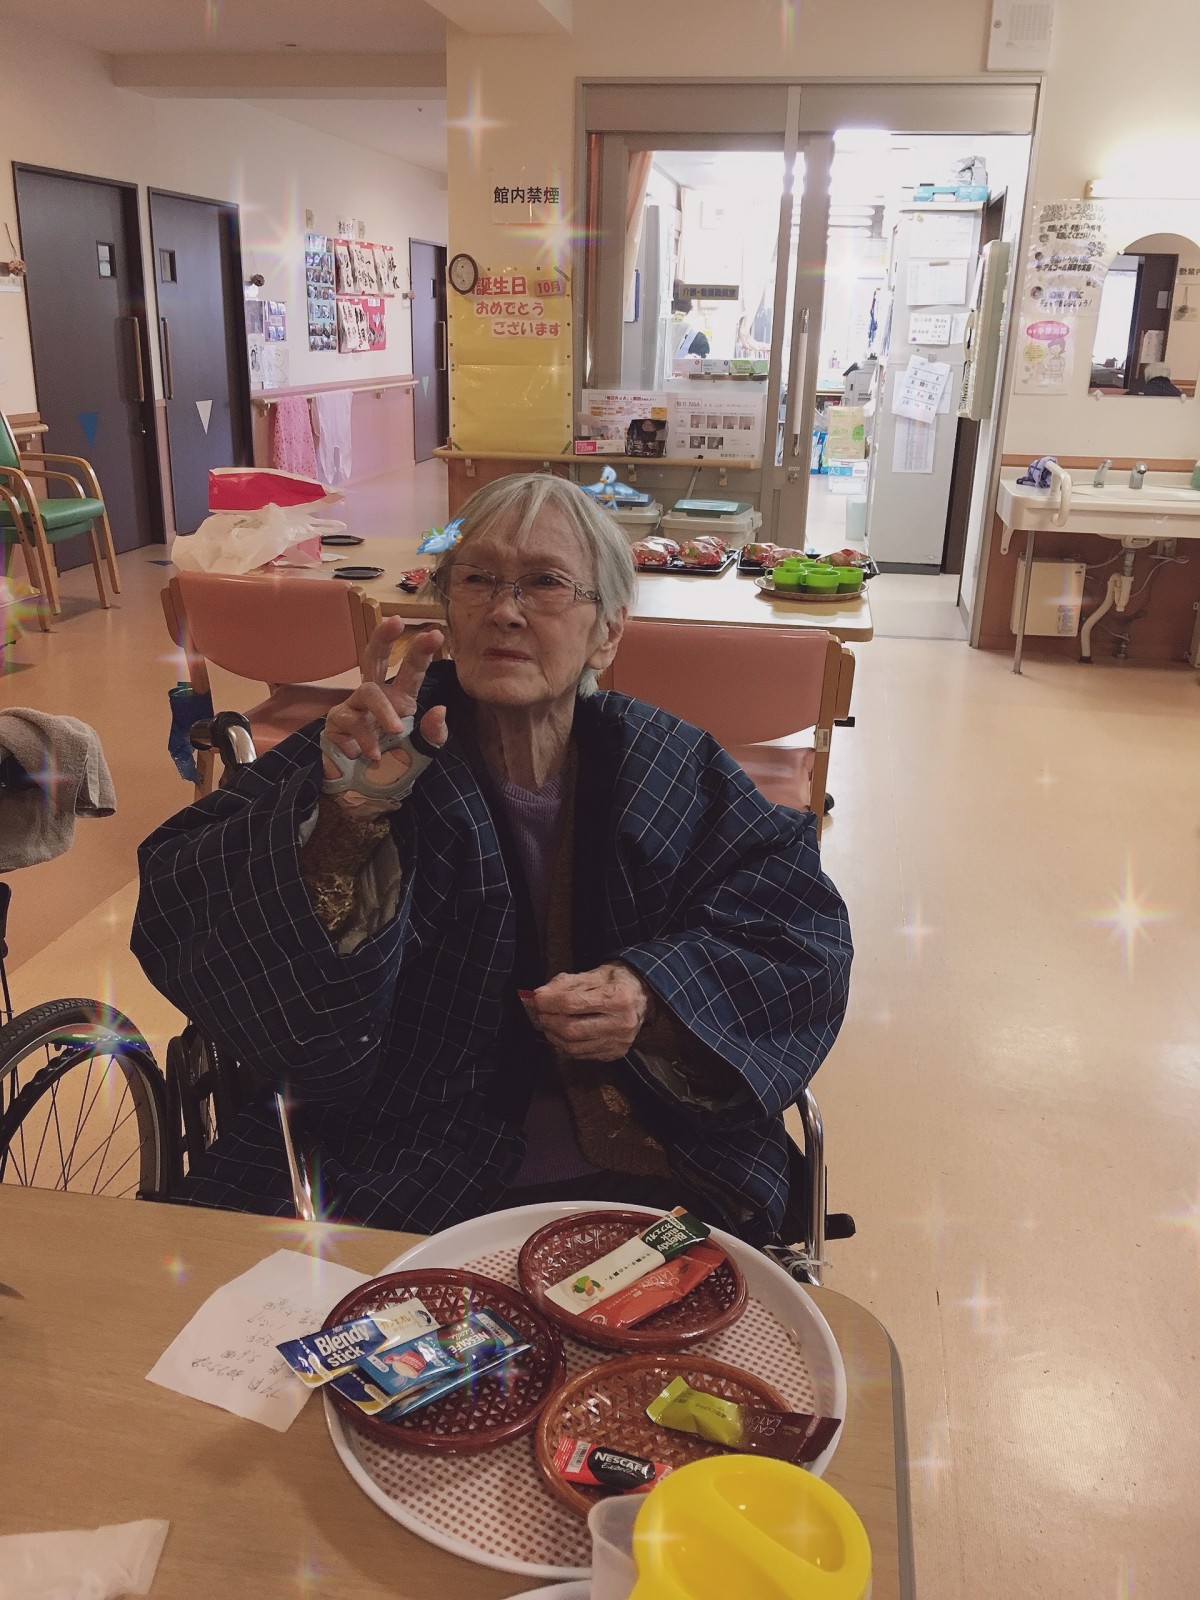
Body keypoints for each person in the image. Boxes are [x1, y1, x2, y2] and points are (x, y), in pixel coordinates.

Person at [133, 475, 851, 1243]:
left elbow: (798, 935)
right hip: (397, 1154)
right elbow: (183, 898)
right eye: (477, 579)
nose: (504, 610)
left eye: (544, 583)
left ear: (607, 632)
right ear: (448, 608)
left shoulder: (671, 764)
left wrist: (653, 997)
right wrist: (341, 824)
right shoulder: (369, 745)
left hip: (654, 1155)